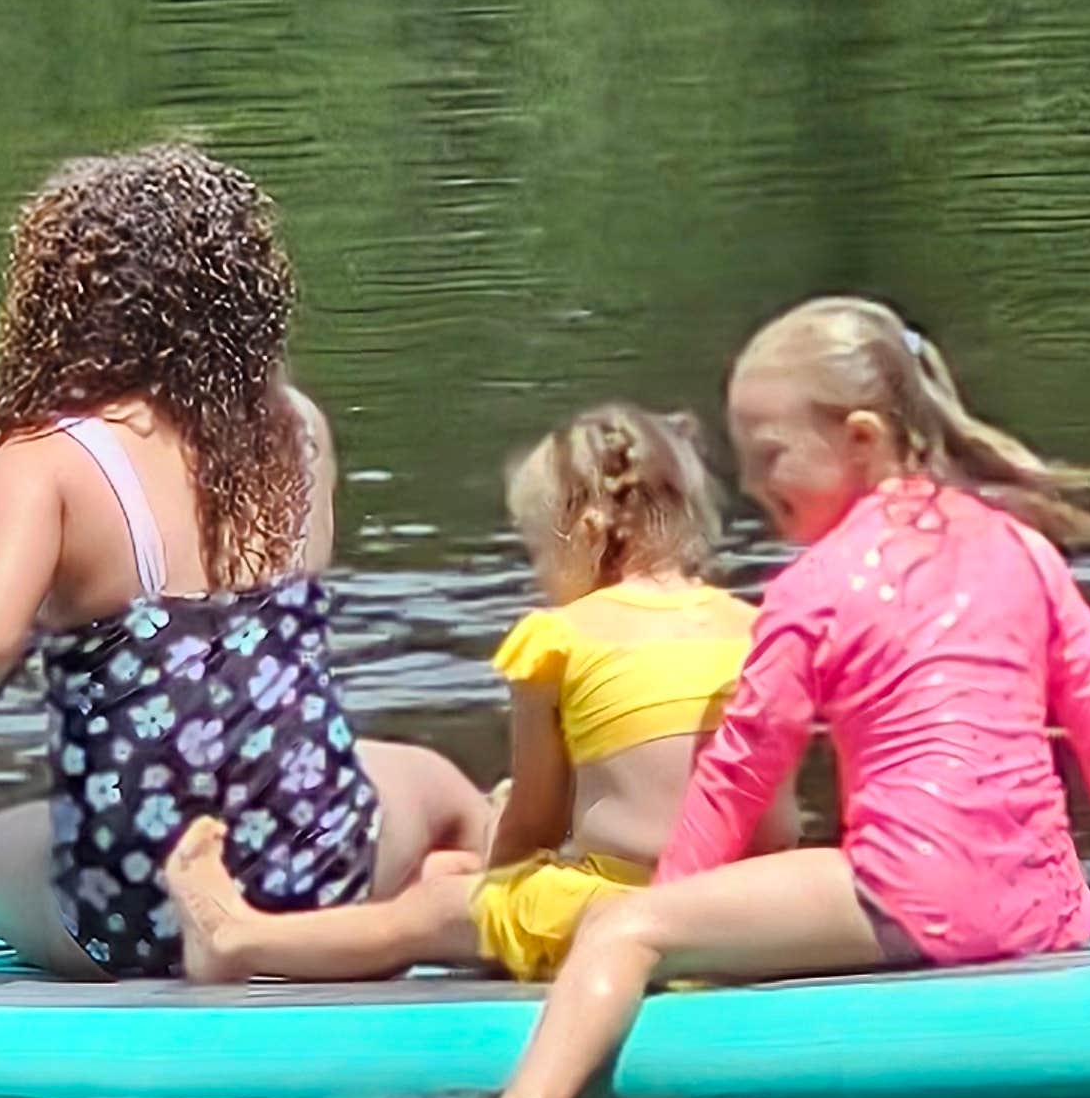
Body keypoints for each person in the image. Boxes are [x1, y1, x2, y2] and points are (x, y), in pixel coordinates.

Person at [487, 297, 1090, 1098]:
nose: (750, 486)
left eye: (768, 456)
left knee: (619, 927)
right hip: (1049, 904)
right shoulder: (1020, 547)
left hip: (916, 896)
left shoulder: (815, 587)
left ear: (860, 439)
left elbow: (742, 765)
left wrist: (678, 914)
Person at [0, 143, 489, 978]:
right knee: (434, 783)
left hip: (138, 903)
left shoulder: (43, 460)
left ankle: (225, 931)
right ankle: (484, 897)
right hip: (324, 869)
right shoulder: (298, 429)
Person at [163, 402, 752, 984]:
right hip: (739, 904)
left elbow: (533, 823)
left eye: (538, 552)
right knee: (464, 877)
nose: (539, 575)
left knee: (425, 913)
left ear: (588, 536)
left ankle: (234, 937)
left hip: (626, 909)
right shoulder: (749, 624)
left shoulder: (557, 639)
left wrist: (485, 895)